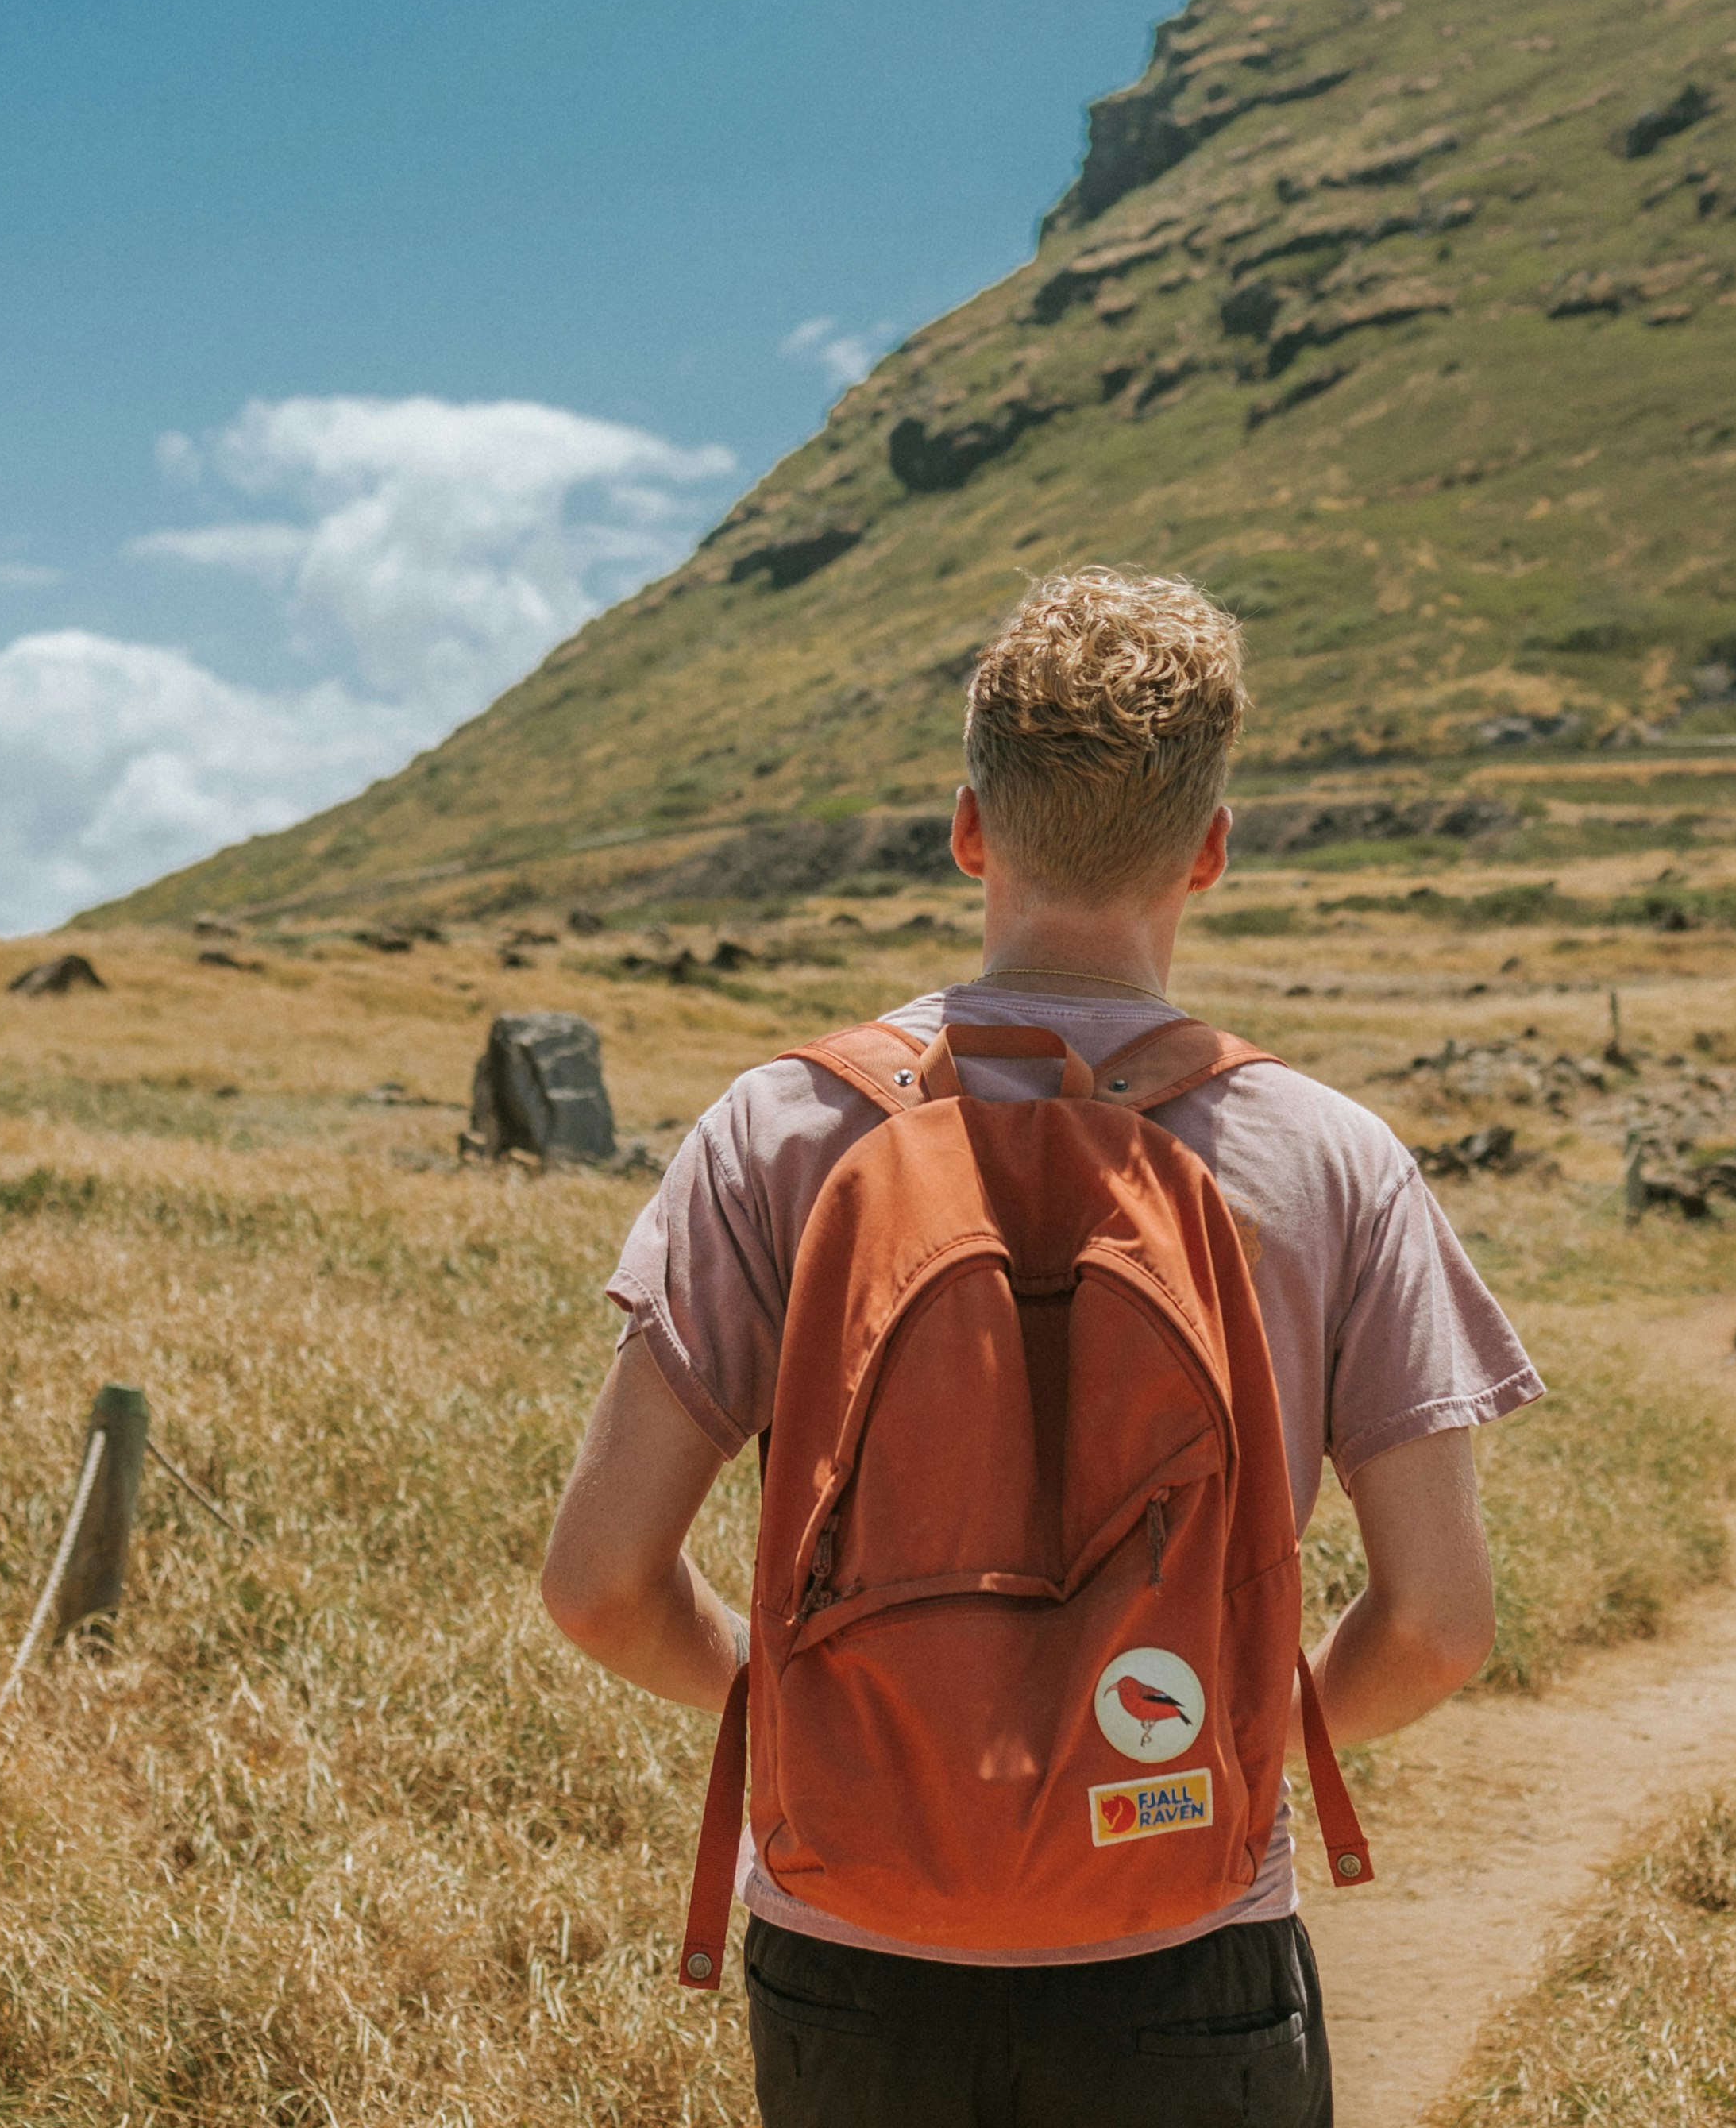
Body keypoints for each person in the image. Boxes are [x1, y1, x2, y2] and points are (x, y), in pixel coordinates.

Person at [540, 566, 1544, 2126]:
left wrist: (819, 1725)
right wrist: (1210, 1750)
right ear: (1208, 851)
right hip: (1186, 1942)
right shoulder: (1332, 1157)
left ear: (967, 830)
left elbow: (599, 1585)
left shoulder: (779, 1130)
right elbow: (1437, 1625)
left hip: (851, 1947)